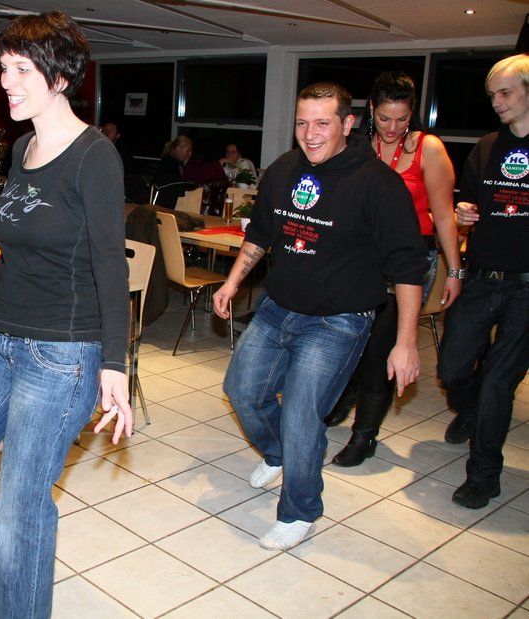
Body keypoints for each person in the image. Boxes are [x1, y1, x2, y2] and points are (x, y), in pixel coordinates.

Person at [0, 12, 132, 618]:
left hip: (62, 352)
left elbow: (110, 266)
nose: (6, 82)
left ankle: (17, 604)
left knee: (21, 506)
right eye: (4, 69)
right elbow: (15, 249)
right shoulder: (21, 148)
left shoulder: (94, 157)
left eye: (20, 70)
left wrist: (114, 365)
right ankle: (17, 594)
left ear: (60, 77)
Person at [213, 82, 427, 551]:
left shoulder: (378, 184)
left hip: (338, 320)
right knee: (242, 391)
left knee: (301, 415)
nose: (310, 134)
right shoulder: (284, 169)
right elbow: (262, 234)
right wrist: (232, 282)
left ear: (347, 124)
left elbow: (409, 267)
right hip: (277, 307)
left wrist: (406, 341)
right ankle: (279, 454)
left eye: (322, 123)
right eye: (302, 123)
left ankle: (300, 510)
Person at [328, 71, 462, 467]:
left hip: (408, 262)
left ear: (412, 114)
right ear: (371, 109)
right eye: (385, 118)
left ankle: (365, 434)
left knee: (381, 348)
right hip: (362, 259)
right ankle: (349, 394)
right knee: (351, 336)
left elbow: (444, 215)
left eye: (401, 119)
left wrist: (455, 272)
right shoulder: (358, 147)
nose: (392, 127)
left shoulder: (428, 149)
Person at [438, 53, 529, 509]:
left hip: (526, 289)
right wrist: (463, 213)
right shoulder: (488, 146)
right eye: (493, 95)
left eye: (506, 93)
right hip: (481, 278)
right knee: (451, 368)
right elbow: (467, 205)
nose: (497, 102)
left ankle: (484, 475)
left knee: (497, 383)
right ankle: (470, 410)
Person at [151, 134, 194, 207]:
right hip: (160, 205)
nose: (190, 154)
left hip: (163, 203)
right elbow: (179, 189)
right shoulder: (170, 164)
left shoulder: (173, 162)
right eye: (188, 150)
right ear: (178, 148)